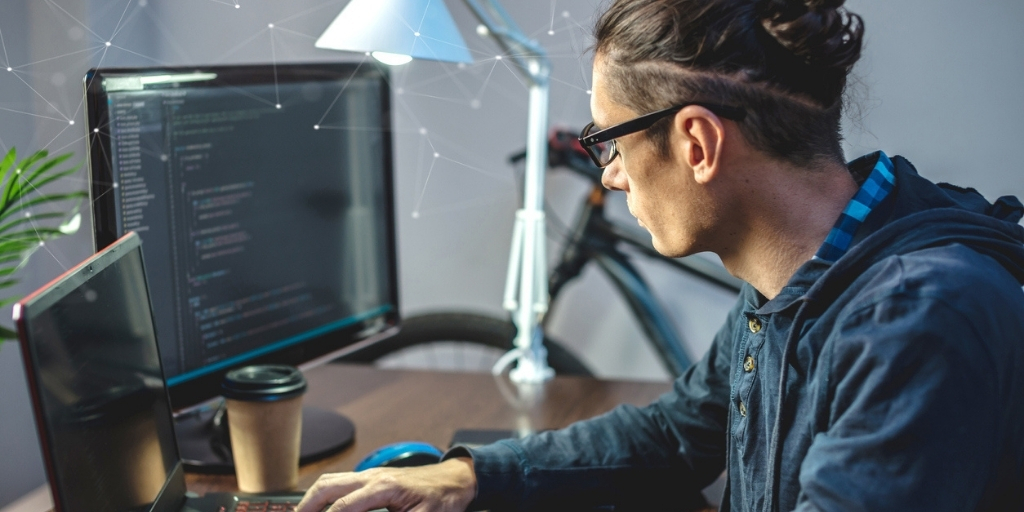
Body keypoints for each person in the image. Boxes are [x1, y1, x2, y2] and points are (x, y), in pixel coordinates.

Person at [297, 0, 1024, 510]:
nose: (609, 173)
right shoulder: (801, 270)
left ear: (697, 144)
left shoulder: (917, 318)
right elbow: (679, 433)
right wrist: (466, 476)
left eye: (610, 139)